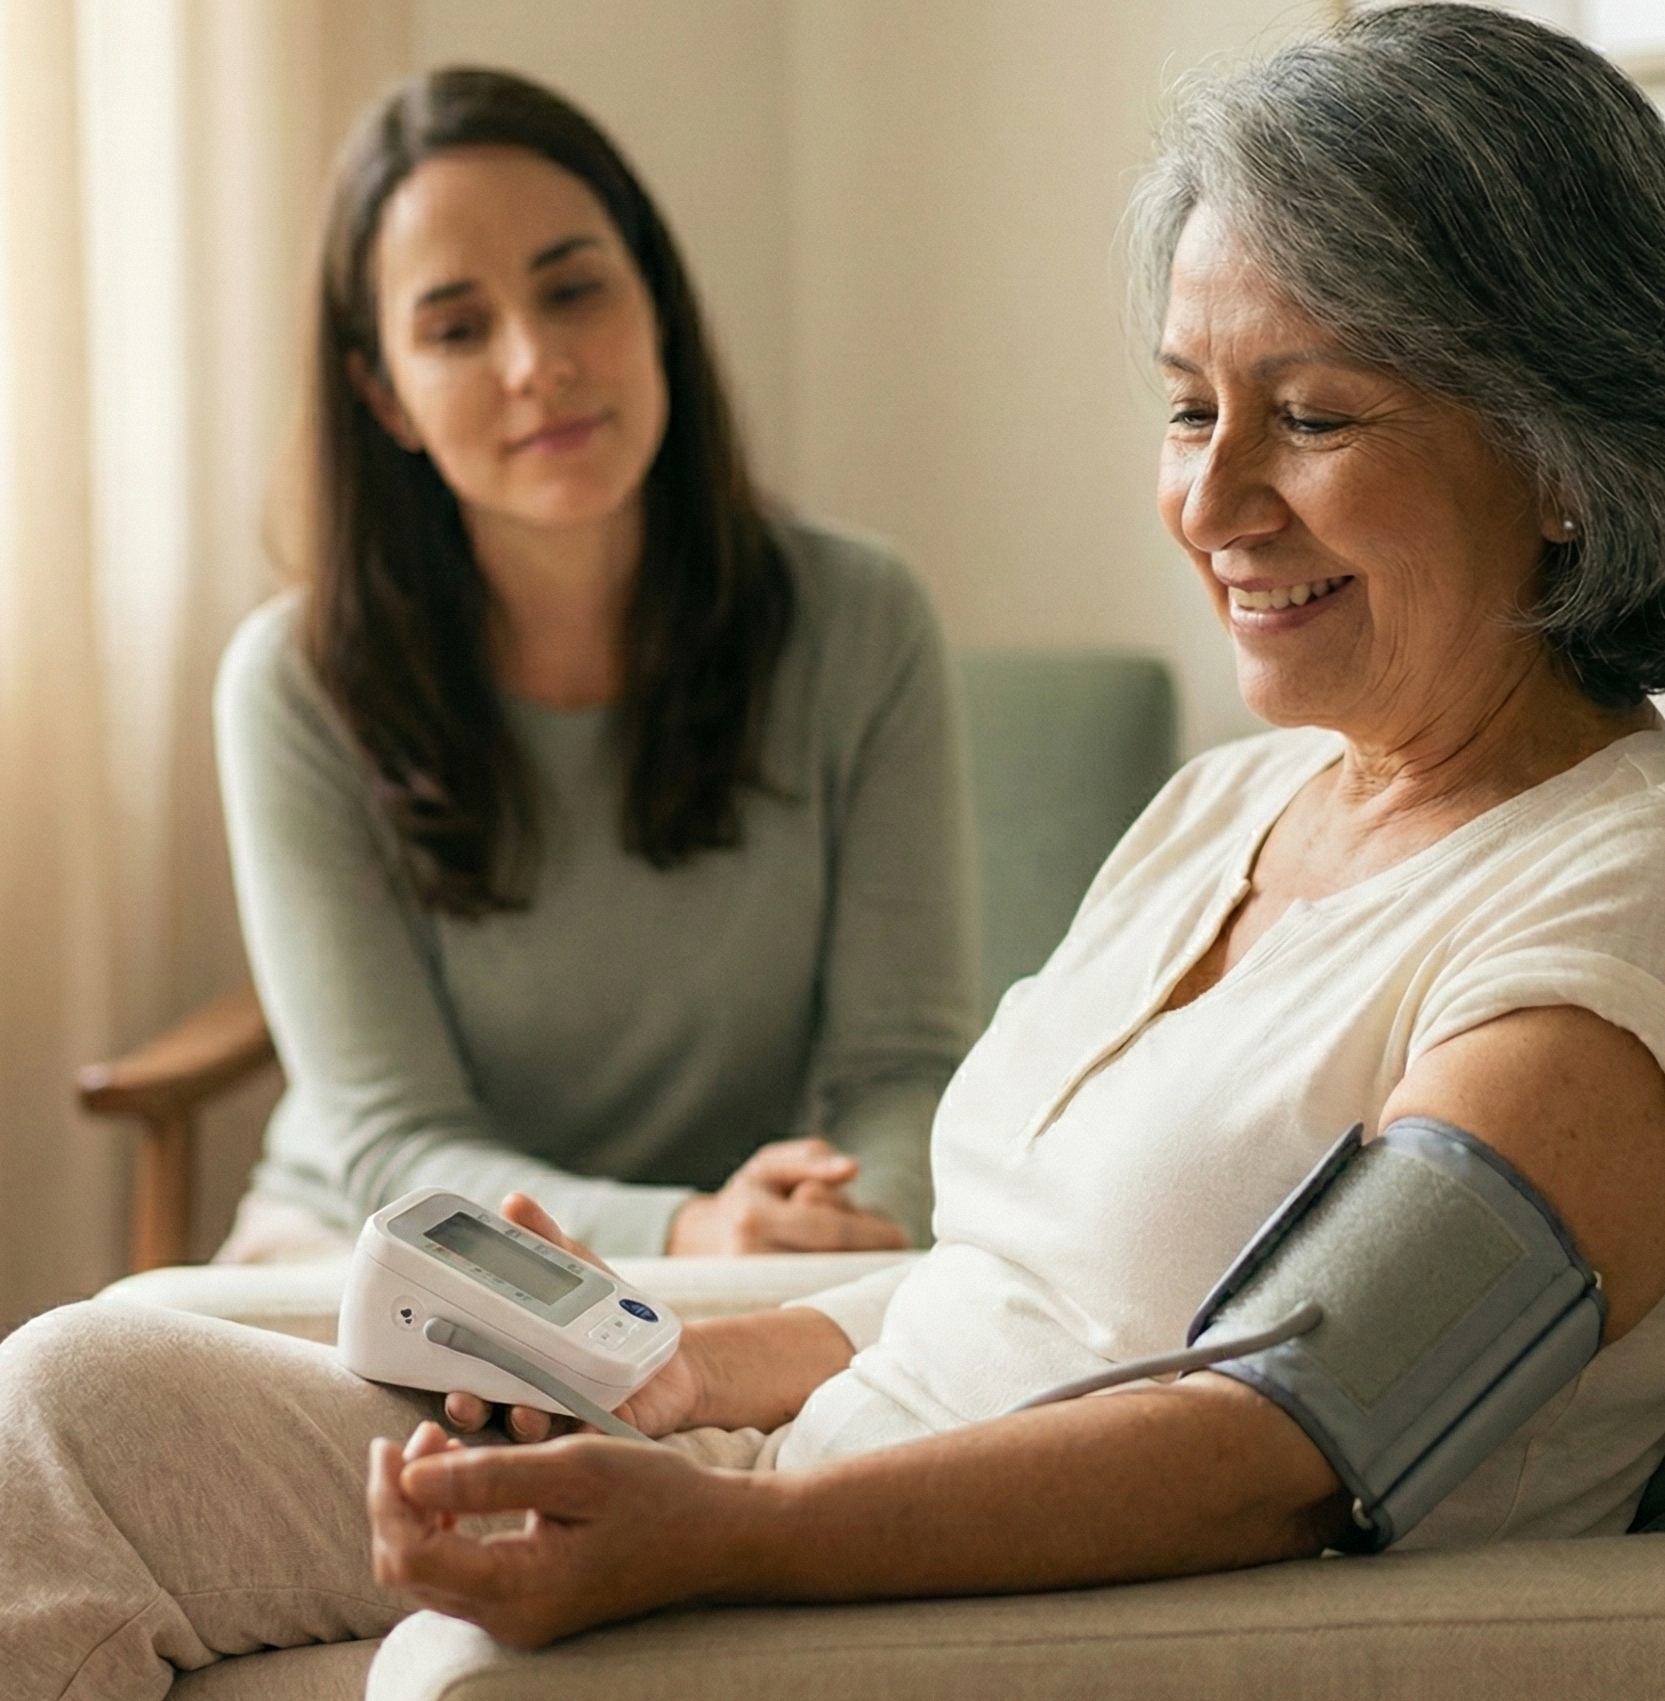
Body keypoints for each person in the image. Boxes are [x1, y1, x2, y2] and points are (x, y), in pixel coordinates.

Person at [7, 5, 1665, 1688]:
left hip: (1000, 1584)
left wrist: (733, 1541)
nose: (1211, 501)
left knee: (463, 1672)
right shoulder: (1233, 804)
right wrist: (683, 1369)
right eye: (1187, 410)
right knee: (74, 1406)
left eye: (1310, 417)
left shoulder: (1610, 916)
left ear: (1563, 465)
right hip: (823, 1467)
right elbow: (999, 1283)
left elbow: (1290, 1441)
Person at [211, 67, 974, 1262]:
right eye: (457, 328)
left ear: (655, 306)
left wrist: (855, 1221)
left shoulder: (862, 620)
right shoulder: (294, 686)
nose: (537, 362)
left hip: (736, 1264)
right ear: (385, 397)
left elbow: (903, 1067)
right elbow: (393, 1143)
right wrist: (682, 1231)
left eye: (574, 292)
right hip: (383, 1247)